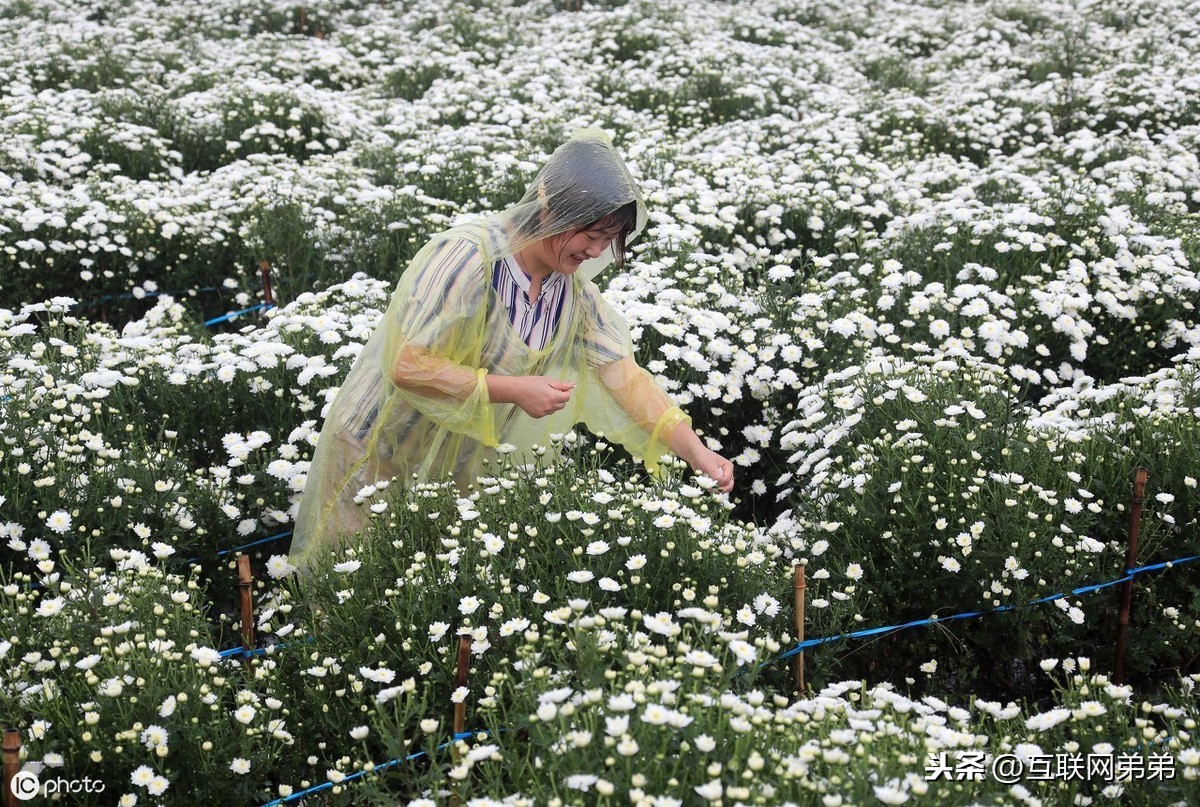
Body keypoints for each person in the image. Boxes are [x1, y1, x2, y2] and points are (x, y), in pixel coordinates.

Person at [288, 129, 734, 569]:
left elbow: (625, 376)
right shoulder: (468, 257)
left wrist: (698, 453)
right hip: (379, 444)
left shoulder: (571, 295)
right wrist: (516, 389)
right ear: (548, 206)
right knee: (347, 578)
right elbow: (409, 365)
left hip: (456, 462)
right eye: (591, 233)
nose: (596, 250)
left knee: (422, 587)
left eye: (609, 239)